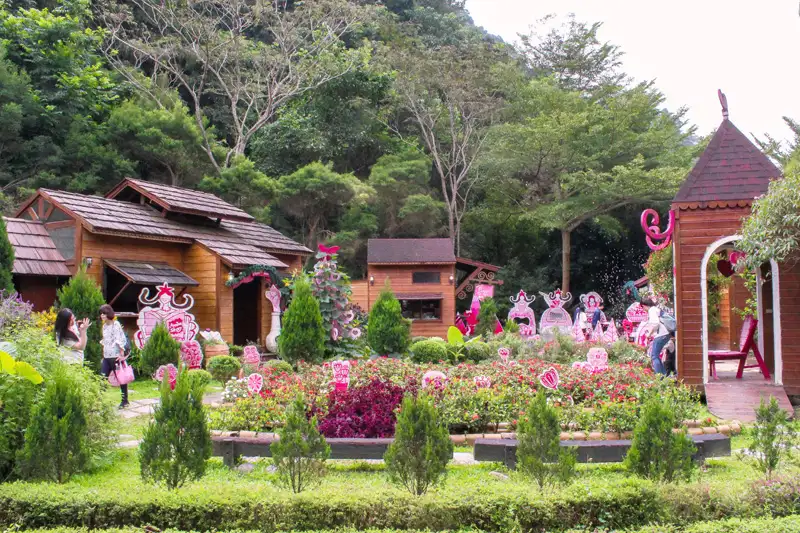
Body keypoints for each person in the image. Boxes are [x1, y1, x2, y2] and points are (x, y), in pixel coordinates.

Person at [99, 304, 129, 408]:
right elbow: (106, 341)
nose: (102, 315)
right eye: (101, 314)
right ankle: (99, 401)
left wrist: (122, 355)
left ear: (109, 314)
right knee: (102, 377)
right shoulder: (104, 326)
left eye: (104, 313)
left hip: (115, 356)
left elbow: (120, 340)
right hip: (107, 356)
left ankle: (125, 400)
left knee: (121, 378)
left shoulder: (115, 324)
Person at [641, 299, 669, 376]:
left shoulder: (652, 310)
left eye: (642, 308)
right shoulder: (656, 309)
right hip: (665, 334)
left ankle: (659, 376)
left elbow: (655, 323)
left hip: (661, 334)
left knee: (654, 356)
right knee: (655, 355)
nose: (644, 310)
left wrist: (649, 334)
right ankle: (664, 375)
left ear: (643, 306)